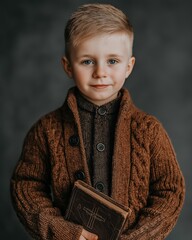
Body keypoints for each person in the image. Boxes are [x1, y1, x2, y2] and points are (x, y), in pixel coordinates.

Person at [11, 3, 185, 240]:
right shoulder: (46, 130)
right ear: (68, 67)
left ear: (129, 66)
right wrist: (61, 232)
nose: (100, 72)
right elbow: (26, 185)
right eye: (87, 61)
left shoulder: (148, 130)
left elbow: (170, 191)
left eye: (112, 61)